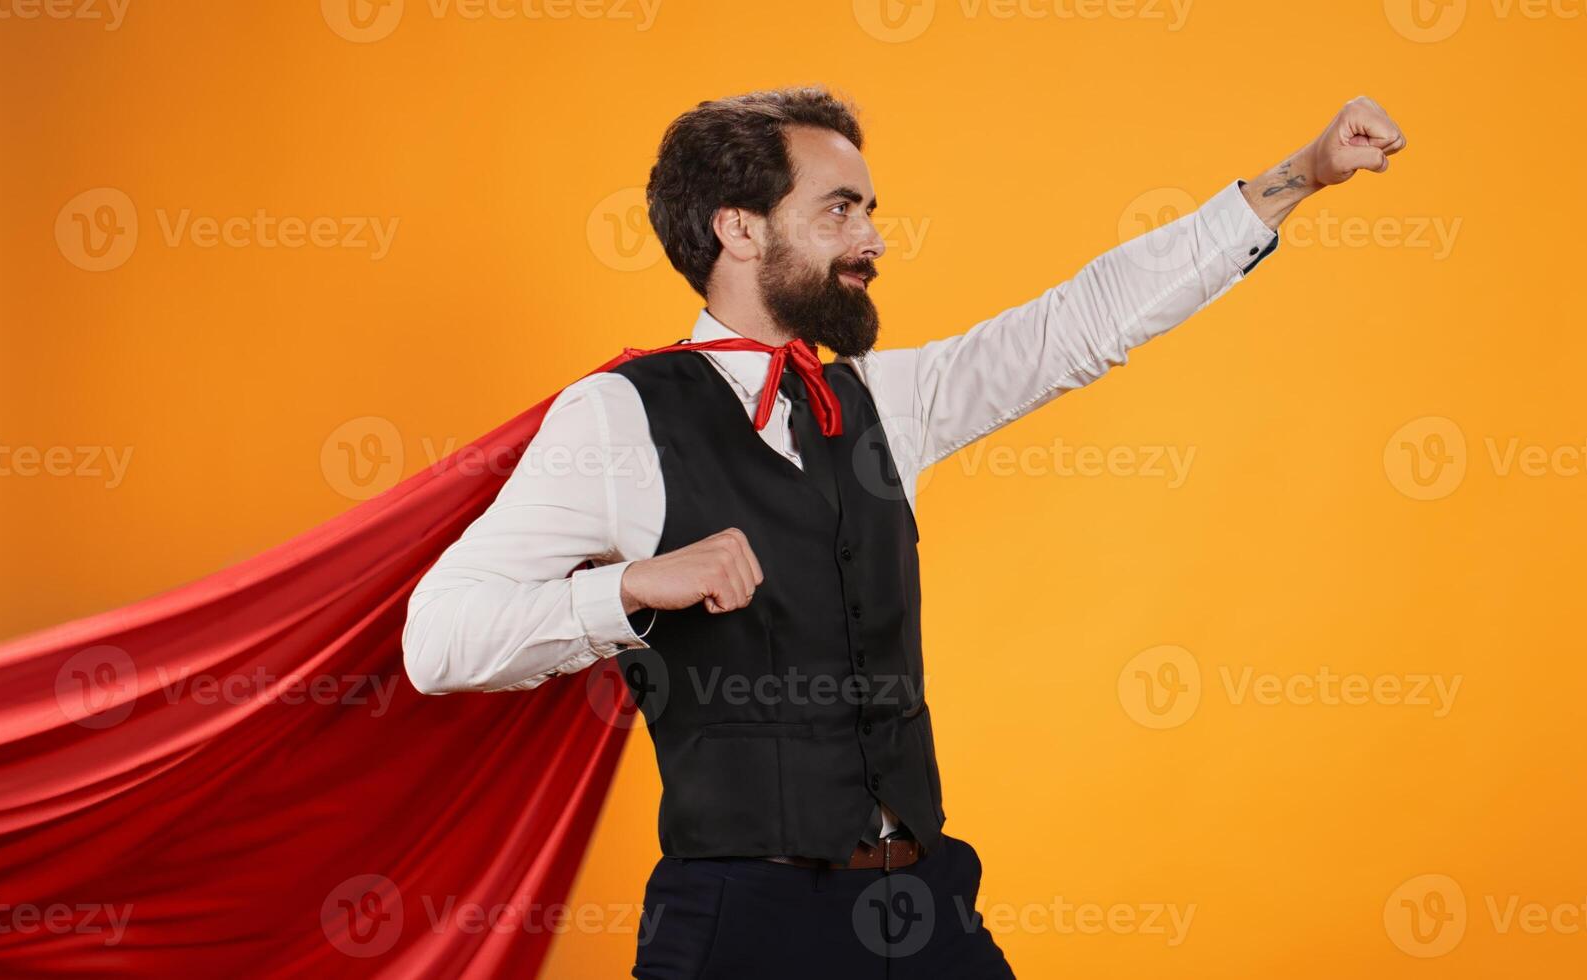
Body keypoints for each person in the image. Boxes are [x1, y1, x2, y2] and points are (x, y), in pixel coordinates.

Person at [401, 86, 1405, 979]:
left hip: (919, 907)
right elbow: (436, 638)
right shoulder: (619, 416)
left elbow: (1080, 323)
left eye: (869, 209)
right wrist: (624, 589)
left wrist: (1295, 179)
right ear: (739, 230)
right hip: (740, 925)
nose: (872, 238)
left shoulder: (883, 397)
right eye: (839, 209)